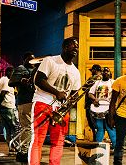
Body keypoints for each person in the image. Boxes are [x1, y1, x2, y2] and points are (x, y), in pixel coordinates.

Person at [28, 37, 81, 165]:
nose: (76, 49)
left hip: (61, 109)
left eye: (77, 47)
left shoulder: (76, 71)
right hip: (43, 102)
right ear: (64, 47)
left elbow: (74, 93)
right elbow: (39, 80)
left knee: (58, 141)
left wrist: (71, 102)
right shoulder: (50, 61)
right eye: (73, 46)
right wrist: (57, 93)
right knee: (38, 140)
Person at [8, 51, 36, 162]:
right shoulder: (21, 68)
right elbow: (11, 82)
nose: (32, 61)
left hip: (34, 101)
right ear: (24, 60)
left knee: (31, 128)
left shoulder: (34, 69)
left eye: (33, 59)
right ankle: (24, 152)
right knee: (27, 127)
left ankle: (27, 150)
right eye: (29, 59)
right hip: (25, 102)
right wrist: (21, 80)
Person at [88, 67, 116, 150]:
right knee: (100, 128)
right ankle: (98, 148)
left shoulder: (113, 82)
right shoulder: (97, 82)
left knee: (110, 127)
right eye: (104, 71)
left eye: (107, 71)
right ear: (101, 73)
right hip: (98, 107)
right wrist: (94, 99)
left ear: (110, 73)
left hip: (108, 108)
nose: (105, 72)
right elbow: (90, 93)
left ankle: (116, 147)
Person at [0, 66, 20, 155]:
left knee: (7, 129)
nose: (13, 75)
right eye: (12, 73)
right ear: (8, 72)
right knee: (16, 127)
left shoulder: (2, 80)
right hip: (9, 107)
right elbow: (3, 93)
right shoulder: (6, 80)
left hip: (4, 108)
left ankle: (11, 148)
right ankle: (17, 147)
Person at [85, 64, 102, 141]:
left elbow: (84, 88)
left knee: (93, 122)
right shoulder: (100, 78)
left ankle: (96, 139)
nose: (92, 71)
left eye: (92, 70)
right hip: (93, 103)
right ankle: (96, 138)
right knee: (94, 122)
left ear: (95, 70)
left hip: (92, 103)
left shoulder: (96, 78)